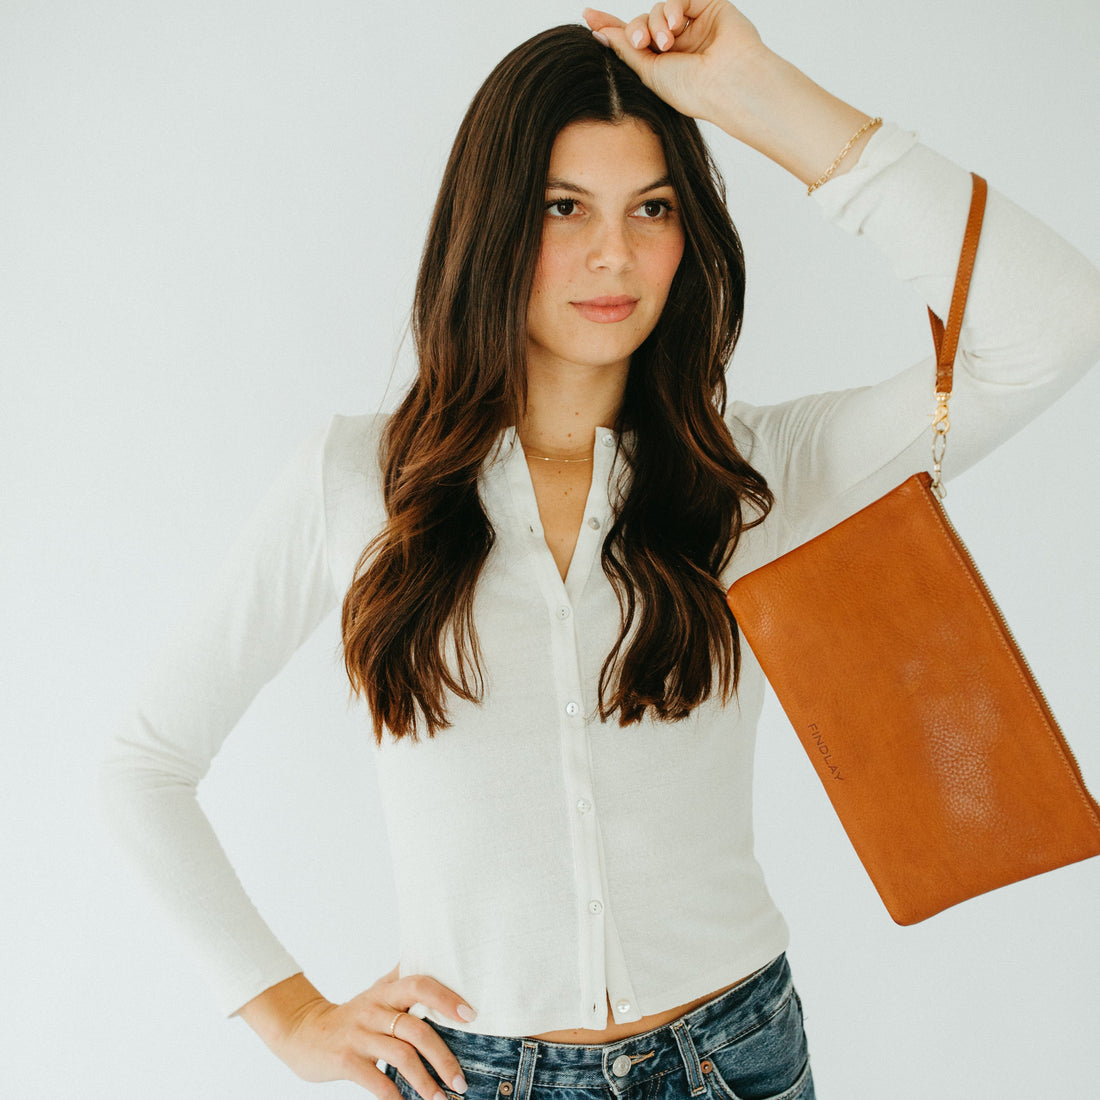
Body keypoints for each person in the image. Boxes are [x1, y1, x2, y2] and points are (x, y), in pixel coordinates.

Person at [100, 2, 1100, 1098]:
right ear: (490, 222)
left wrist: (754, 95)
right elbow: (144, 764)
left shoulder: (758, 475)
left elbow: (1050, 324)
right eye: (563, 206)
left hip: (733, 1058)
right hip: (468, 1073)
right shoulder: (356, 481)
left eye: (651, 207)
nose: (613, 253)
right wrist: (288, 1014)